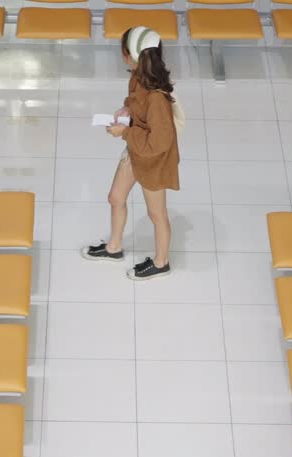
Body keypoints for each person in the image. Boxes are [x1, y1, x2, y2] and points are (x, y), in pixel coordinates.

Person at [83, 26, 181, 280]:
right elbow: (135, 101)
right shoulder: (138, 76)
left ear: (128, 54)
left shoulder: (158, 99)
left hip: (154, 161)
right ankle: (113, 248)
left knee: (157, 215)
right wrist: (126, 110)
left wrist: (124, 133)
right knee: (116, 197)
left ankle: (161, 262)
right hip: (136, 152)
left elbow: (158, 143)